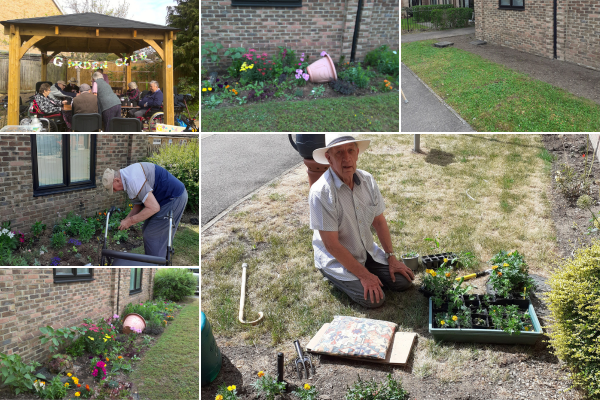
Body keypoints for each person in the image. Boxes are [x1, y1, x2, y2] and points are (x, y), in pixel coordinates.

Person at [309, 134, 415, 308]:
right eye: (339, 153)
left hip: (365, 250)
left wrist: (391, 258)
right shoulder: (321, 192)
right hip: (335, 257)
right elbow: (331, 245)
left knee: (403, 281)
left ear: (357, 153)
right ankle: (331, 273)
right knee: (374, 299)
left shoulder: (367, 180)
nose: (346, 158)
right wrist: (364, 276)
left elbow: (379, 221)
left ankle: (367, 269)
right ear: (328, 158)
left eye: (350, 151)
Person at [102, 163, 188, 259]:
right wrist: (127, 220)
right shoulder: (127, 177)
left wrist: (130, 221)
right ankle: (157, 257)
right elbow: (139, 204)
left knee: (152, 235)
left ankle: (156, 264)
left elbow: (153, 208)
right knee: (147, 229)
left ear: (117, 180)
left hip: (173, 197)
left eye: (113, 188)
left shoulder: (133, 179)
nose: (115, 191)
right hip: (162, 200)